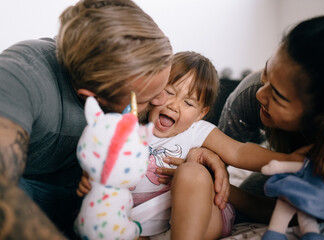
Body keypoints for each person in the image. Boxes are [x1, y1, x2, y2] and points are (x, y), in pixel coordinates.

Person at [77, 51, 305, 239]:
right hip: (140, 225)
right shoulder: (131, 128)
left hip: (200, 219)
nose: (174, 105)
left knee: (192, 172)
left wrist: (290, 160)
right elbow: (103, 155)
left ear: (201, 113)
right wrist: (93, 177)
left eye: (188, 103)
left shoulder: (197, 131)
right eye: (168, 92)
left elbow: (239, 151)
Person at [0, 0, 173, 238]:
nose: (162, 100)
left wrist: (204, 153)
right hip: (32, 198)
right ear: (93, 97)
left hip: (92, 205)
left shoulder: (137, 73)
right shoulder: (22, 75)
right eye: (144, 99)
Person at [217, 12, 324, 239]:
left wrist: (231, 194)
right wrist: (223, 189)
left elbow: (322, 213)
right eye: (267, 70)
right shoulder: (252, 91)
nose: (261, 94)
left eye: (279, 96)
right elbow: (219, 154)